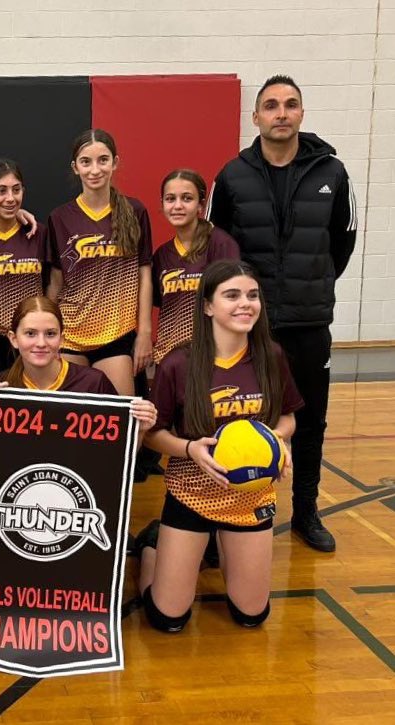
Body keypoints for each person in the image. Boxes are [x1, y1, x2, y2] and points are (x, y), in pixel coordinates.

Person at [207, 74, 357, 552]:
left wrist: (311, 284)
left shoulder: (332, 172)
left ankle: (306, 513)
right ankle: (218, 516)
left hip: (310, 321)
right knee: (228, 419)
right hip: (248, 325)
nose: (280, 113)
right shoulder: (232, 175)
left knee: (310, 420)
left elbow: (343, 241)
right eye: (270, 105)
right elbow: (218, 248)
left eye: (290, 105)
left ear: (301, 114)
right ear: (256, 117)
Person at [136, 260, 303, 632]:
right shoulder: (178, 363)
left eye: (252, 295)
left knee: (251, 615)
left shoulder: (271, 356)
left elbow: (290, 417)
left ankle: (223, 546)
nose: (246, 304)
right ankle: (152, 546)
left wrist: (276, 440)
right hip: (192, 493)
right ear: (208, 306)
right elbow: (153, 434)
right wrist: (191, 449)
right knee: (168, 618)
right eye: (232, 295)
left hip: (251, 497)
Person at [47, 129, 153, 397]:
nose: (95, 170)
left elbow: (144, 275)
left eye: (103, 160)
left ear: (115, 162)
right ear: (75, 167)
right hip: (71, 334)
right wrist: (48, 333)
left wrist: (144, 333)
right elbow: (55, 284)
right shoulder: (60, 217)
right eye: (86, 162)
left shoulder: (134, 211)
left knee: (123, 421)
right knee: (69, 422)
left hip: (117, 334)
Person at [0, 296, 157, 432]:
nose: (41, 343)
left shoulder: (93, 383)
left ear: (62, 339)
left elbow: (116, 454)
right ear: (13, 339)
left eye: (50, 334)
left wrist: (139, 428)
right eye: (30, 333)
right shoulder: (1, 388)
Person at [0, 159, 49, 375]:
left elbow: (52, 285)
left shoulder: (38, 233)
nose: (10, 198)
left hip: (33, 338)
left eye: (16, 190)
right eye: (1, 191)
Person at [152, 169, 240, 364]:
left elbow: (233, 303)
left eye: (187, 198)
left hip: (212, 357)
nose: (177, 206)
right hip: (169, 358)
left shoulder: (221, 245)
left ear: (200, 205)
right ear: (162, 205)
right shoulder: (161, 255)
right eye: (170, 199)